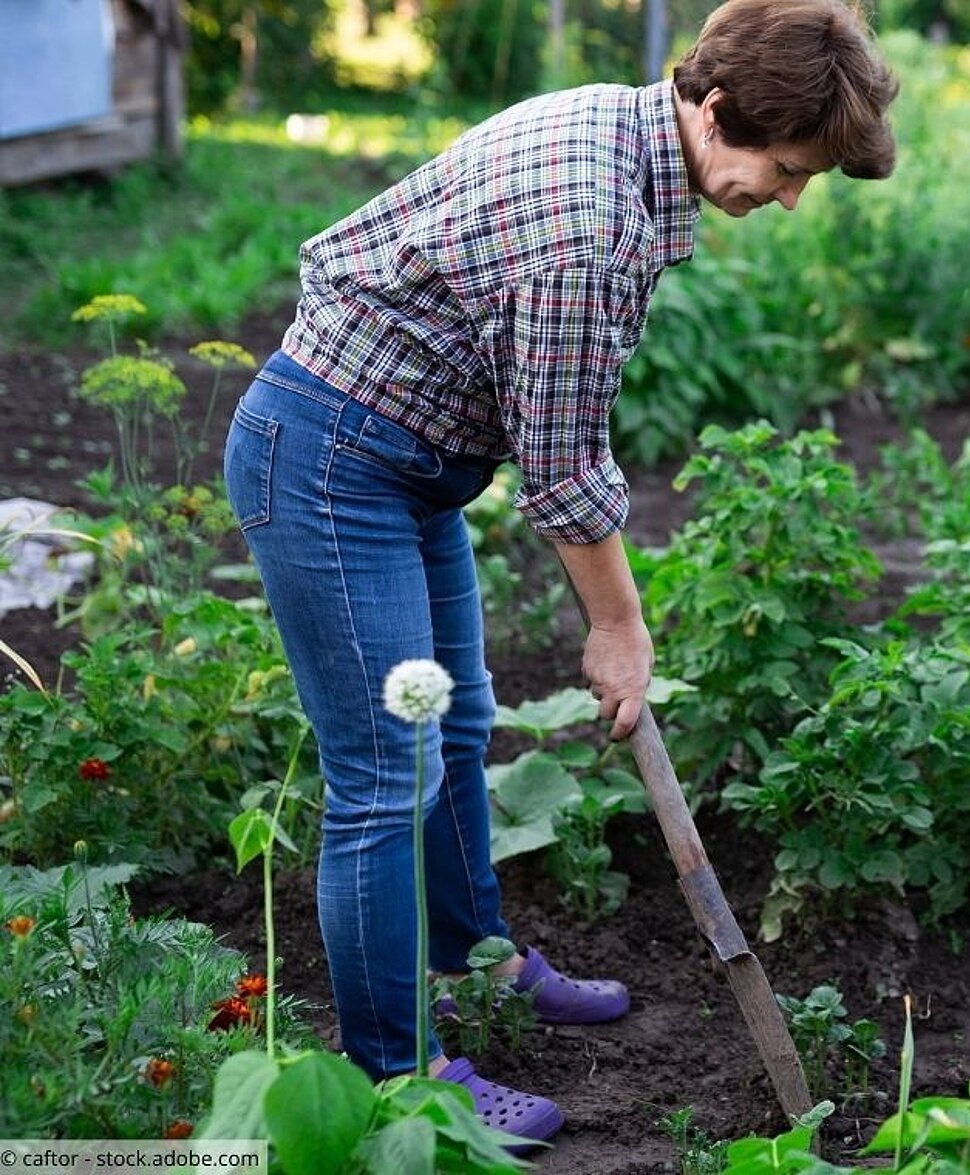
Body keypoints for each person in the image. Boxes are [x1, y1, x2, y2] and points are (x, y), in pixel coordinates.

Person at [221, 0, 897, 1144]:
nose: (785, 198)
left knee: (462, 721)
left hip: (410, 456)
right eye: (784, 169)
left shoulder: (623, 134)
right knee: (386, 771)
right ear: (717, 107)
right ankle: (402, 1077)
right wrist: (619, 627)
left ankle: (475, 958)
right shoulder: (589, 219)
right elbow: (562, 461)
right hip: (336, 459)